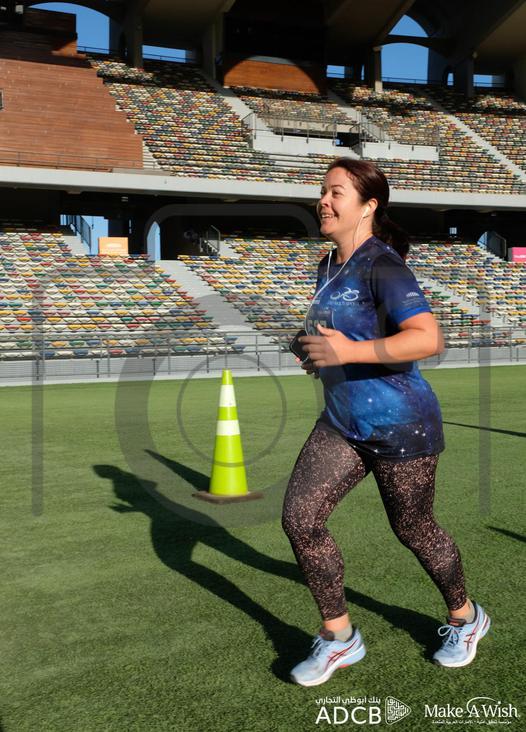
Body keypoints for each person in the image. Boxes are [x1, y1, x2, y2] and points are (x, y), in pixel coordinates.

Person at [282, 158, 490, 687]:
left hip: (401, 425)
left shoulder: (383, 264)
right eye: (322, 191)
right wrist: (313, 351)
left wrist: (349, 351)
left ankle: (466, 617)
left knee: (414, 529)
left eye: (336, 192)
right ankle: (339, 638)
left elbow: (427, 338)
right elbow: (339, 337)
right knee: (301, 520)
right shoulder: (328, 265)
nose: (323, 201)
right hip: (341, 423)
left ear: (368, 205)